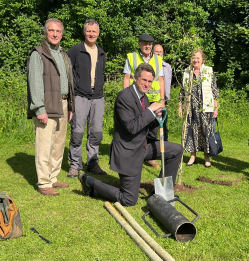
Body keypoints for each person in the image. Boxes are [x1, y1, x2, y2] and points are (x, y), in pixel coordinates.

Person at [79, 63, 183, 206]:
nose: (147, 84)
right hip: (128, 152)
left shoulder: (143, 97)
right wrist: (150, 111)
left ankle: (161, 192)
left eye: (150, 81)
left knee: (176, 150)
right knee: (128, 199)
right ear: (135, 78)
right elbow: (132, 127)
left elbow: (145, 125)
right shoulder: (124, 97)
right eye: (144, 80)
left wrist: (156, 117)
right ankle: (91, 183)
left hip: (142, 146)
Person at [27, 18, 75, 196]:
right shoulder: (38, 54)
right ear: (45, 32)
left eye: (58, 31)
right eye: (51, 31)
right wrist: (39, 108)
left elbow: (68, 82)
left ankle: (53, 177)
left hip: (62, 103)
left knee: (58, 144)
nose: (55, 34)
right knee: (44, 144)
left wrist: (70, 105)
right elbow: (35, 83)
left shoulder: (63, 54)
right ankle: (43, 182)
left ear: (62, 34)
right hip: (46, 105)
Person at [66, 19, 107, 178]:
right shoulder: (75, 50)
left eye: (94, 31)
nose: (91, 34)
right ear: (84, 32)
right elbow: (68, 74)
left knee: (96, 132)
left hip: (97, 97)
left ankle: (92, 163)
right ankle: (75, 165)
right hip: (80, 96)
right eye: (88, 31)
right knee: (77, 132)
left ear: (98, 33)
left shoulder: (101, 52)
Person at [123, 33, 165, 169]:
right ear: (139, 44)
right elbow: (127, 77)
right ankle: (134, 153)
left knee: (152, 129)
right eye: (144, 43)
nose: (147, 46)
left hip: (153, 99)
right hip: (136, 98)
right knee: (137, 126)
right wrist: (125, 96)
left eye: (150, 44)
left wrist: (162, 100)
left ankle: (151, 158)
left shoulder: (158, 60)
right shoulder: (131, 57)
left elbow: (161, 80)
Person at [178, 49, 219, 167]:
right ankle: (192, 156)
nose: (195, 60)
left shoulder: (208, 71)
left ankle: (207, 157)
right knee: (191, 131)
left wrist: (215, 107)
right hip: (190, 108)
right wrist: (180, 106)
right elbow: (182, 90)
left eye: (198, 58)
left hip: (205, 107)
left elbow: (214, 90)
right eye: (193, 58)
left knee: (206, 131)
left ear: (202, 60)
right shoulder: (187, 72)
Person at [153, 44, 172, 141]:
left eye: (160, 52)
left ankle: (165, 144)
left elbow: (168, 83)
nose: (158, 53)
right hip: (152, 98)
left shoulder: (168, 67)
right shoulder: (150, 65)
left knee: (164, 124)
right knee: (152, 125)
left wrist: (165, 98)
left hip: (163, 100)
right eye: (156, 51)